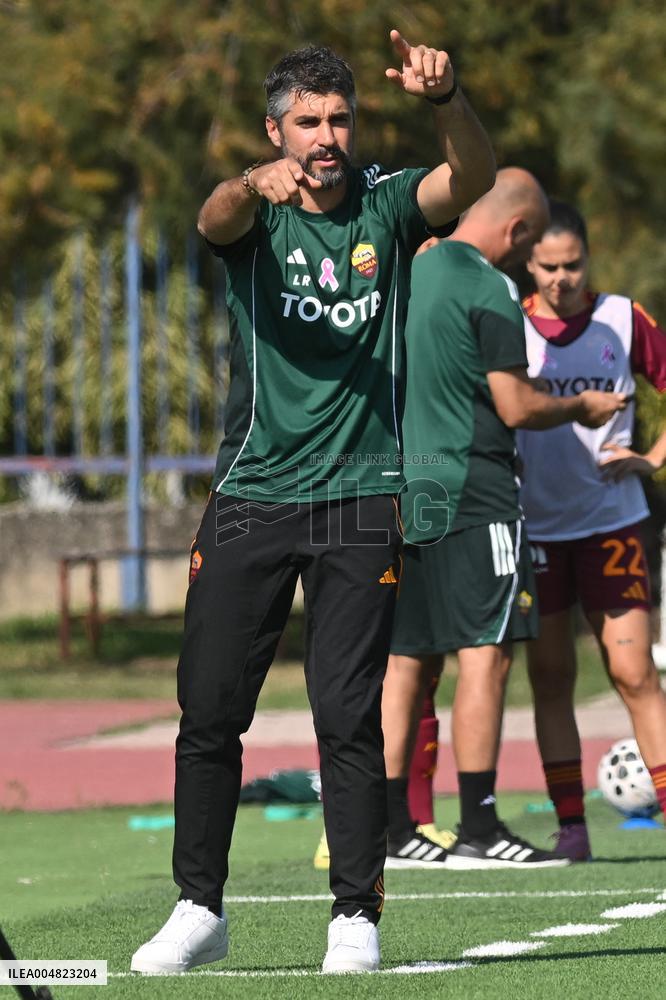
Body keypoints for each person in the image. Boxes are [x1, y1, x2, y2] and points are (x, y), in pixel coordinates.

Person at [131, 32, 495, 975]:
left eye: (337, 119)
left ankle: (354, 917)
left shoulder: (387, 204)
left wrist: (448, 96)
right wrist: (252, 185)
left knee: (346, 714)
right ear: (276, 130)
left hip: (361, 494)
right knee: (209, 712)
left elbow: (474, 178)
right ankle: (197, 910)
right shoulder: (254, 213)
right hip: (252, 495)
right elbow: (212, 218)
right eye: (307, 122)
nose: (325, 137)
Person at [381, 170, 628, 869]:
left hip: (409, 487)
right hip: (474, 486)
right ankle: (481, 826)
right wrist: (579, 408)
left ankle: (393, 827)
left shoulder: (417, 265)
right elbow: (516, 406)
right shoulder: (488, 287)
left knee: (408, 659)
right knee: (485, 655)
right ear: (519, 231)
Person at [517, 200, 666, 860]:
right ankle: (572, 827)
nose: (561, 279)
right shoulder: (508, 324)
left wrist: (651, 460)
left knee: (634, 673)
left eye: (572, 265)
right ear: (529, 262)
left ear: (588, 259)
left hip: (615, 524)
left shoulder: (622, 319)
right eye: (548, 267)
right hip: (538, 528)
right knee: (550, 675)